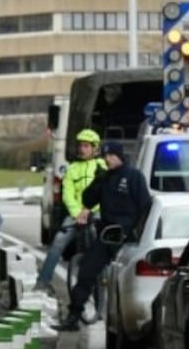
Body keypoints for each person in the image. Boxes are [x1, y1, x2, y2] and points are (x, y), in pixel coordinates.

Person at [52, 141, 152, 332]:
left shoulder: (133, 177)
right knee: (87, 272)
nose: (107, 159)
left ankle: (124, 317)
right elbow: (88, 200)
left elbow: (144, 206)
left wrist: (136, 231)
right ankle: (74, 315)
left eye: (111, 156)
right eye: (105, 156)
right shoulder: (105, 177)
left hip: (126, 236)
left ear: (119, 156)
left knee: (123, 278)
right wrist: (97, 181)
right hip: (106, 235)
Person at [34, 128, 107, 294]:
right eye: (80, 145)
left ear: (95, 148)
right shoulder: (72, 168)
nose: (82, 149)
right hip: (76, 215)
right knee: (57, 243)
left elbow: (104, 192)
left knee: (103, 243)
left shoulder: (102, 166)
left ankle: (104, 280)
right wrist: (77, 213)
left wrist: (89, 211)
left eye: (86, 146)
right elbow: (67, 194)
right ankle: (43, 282)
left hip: (96, 212)